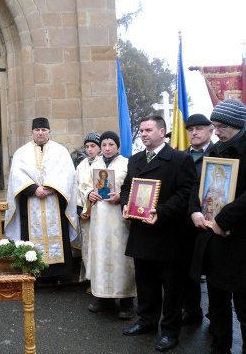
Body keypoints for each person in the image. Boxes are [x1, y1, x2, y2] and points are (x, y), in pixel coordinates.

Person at [120, 115, 196, 352]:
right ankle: (146, 320)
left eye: (148, 130)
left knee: (172, 286)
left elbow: (186, 194)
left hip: (169, 233)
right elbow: (126, 188)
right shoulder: (135, 160)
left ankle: (171, 331)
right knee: (145, 283)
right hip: (142, 232)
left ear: (162, 132)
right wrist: (125, 204)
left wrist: (160, 212)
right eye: (141, 130)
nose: (143, 134)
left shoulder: (180, 159)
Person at [189, 99, 246, 354]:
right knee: (217, 301)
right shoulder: (215, 150)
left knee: (244, 305)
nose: (217, 131)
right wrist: (195, 211)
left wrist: (223, 219)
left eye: (221, 126)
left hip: (240, 239)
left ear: (237, 124)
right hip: (213, 237)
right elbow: (198, 186)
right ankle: (219, 346)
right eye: (215, 126)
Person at [5, 117, 78, 280]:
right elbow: (16, 176)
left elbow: (67, 175)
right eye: (37, 130)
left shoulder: (61, 151)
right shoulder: (21, 152)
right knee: (30, 236)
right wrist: (34, 189)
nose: (40, 133)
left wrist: (51, 187)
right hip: (30, 201)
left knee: (58, 232)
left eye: (44, 130)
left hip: (54, 201)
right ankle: (33, 273)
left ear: (49, 132)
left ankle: (58, 274)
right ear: (31, 132)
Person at [82, 131, 136, 319]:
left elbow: (132, 187)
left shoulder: (127, 164)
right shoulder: (94, 164)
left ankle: (126, 301)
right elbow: (84, 185)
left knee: (121, 257)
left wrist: (121, 197)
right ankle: (103, 298)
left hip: (119, 219)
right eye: (103, 144)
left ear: (117, 146)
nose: (106, 148)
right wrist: (89, 194)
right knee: (100, 255)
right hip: (99, 218)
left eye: (111, 144)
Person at [181, 113, 214, 326]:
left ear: (210, 130)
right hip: (184, 222)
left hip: (210, 222)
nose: (194, 132)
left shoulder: (219, 154)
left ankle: (216, 317)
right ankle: (192, 311)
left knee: (213, 272)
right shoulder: (181, 157)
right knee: (186, 270)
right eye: (191, 129)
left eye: (199, 128)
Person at [75, 131, 102, 288]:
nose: (90, 149)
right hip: (85, 214)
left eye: (93, 146)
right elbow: (76, 189)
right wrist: (80, 210)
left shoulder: (103, 163)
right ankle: (90, 280)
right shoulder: (81, 166)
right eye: (87, 146)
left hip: (100, 212)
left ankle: (100, 281)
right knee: (88, 247)